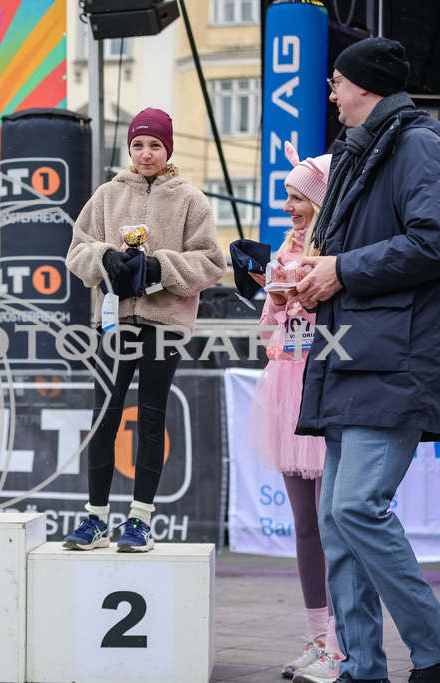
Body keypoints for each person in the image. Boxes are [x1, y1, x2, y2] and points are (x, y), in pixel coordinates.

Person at [294, 37, 440, 683]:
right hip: (360, 355)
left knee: (356, 507)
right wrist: (317, 276)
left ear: (367, 85)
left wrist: (340, 269)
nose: (330, 94)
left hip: (398, 359)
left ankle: (438, 652)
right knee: (338, 520)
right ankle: (361, 667)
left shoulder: (420, 143)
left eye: (336, 82)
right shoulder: (368, 150)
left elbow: (436, 240)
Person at [63, 108, 225, 552]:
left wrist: (160, 266)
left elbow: (212, 263)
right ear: (128, 149)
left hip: (164, 325)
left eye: (155, 144)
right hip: (114, 322)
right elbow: (75, 252)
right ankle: (95, 519)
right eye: (138, 145)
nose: (146, 153)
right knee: (104, 417)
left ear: (168, 148)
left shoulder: (192, 199)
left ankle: (139, 521)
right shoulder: (106, 195)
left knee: (151, 418)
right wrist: (103, 256)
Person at [245, 146, 343, 683]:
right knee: (305, 523)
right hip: (285, 384)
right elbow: (269, 330)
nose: (290, 207)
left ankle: (344, 641)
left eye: (299, 197)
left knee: (337, 522)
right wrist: (277, 304)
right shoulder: (283, 251)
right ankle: (318, 638)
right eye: (287, 196)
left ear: (322, 200)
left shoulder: (340, 249)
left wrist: (311, 301)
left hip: (327, 385)